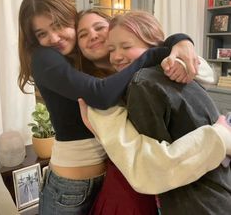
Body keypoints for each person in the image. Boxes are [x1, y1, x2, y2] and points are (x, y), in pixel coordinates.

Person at [18, 0, 200, 215]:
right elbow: (100, 94)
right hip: (69, 186)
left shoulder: (91, 63)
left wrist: (180, 41)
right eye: (42, 34)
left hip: (103, 180)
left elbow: (141, 32)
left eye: (59, 25)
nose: (54, 38)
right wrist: (153, 54)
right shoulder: (45, 57)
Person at [79, 11, 231, 215]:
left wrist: (179, 44)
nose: (94, 35)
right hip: (139, 194)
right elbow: (144, 168)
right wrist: (220, 136)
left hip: (186, 192)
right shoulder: (105, 94)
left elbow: (203, 70)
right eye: (82, 34)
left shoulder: (153, 76)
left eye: (99, 27)